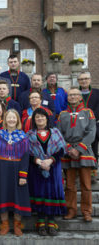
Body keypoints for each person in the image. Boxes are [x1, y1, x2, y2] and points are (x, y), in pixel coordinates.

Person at [57, 87, 97, 222]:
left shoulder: (88, 112)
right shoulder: (62, 114)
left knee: (86, 184)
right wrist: (68, 148)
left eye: (75, 95)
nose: (73, 97)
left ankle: (87, 212)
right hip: (68, 152)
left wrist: (79, 148)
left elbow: (92, 132)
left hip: (84, 151)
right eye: (70, 95)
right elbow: (58, 133)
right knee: (69, 185)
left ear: (80, 97)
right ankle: (71, 210)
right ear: (67, 98)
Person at [0, 109, 30, 236]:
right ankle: (5, 224)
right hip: (1, 168)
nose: (11, 120)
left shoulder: (23, 137)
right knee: (3, 195)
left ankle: (17, 225)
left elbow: (25, 156)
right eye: (9, 118)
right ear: (5, 120)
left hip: (17, 168)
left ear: (17, 120)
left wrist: (23, 174)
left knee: (18, 196)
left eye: (14, 118)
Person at [27, 108, 67, 236]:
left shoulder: (55, 132)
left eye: (42, 117)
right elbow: (26, 152)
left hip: (53, 168)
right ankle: (40, 222)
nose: (40, 119)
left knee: (51, 193)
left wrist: (50, 161)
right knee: (39, 193)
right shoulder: (29, 134)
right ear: (34, 120)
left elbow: (62, 149)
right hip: (36, 169)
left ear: (47, 118)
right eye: (37, 117)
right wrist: (39, 162)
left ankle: (51, 222)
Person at [77, 72, 99, 182]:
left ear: (90, 80)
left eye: (86, 79)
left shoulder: (97, 93)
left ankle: (93, 173)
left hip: (93, 125)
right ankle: (79, 171)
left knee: (93, 149)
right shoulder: (75, 93)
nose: (84, 81)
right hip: (78, 126)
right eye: (81, 79)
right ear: (78, 81)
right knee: (79, 148)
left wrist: (89, 118)